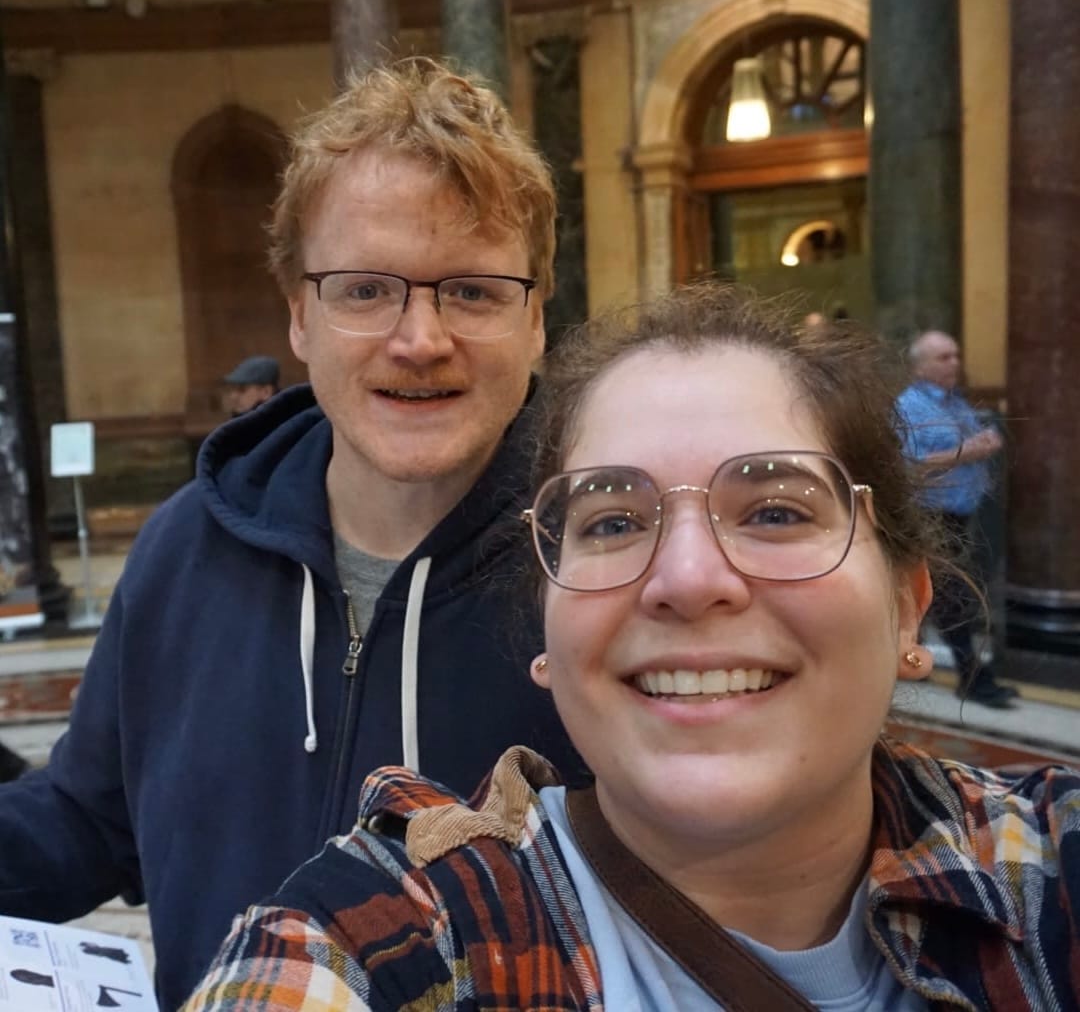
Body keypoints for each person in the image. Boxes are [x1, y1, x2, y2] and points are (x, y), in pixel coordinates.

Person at [184, 285, 1080, 1010]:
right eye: (612, 522)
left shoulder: (1053, 865)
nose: (687, 579)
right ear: (547, 628)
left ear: (906, 608)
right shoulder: (383, 941)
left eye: (775, 511)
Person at [0, 57, 583, 1010]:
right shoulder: (187, 548)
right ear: (300, 316)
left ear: (537, 320)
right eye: (365, 290)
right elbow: (87, 818)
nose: (420, 339)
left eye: (474, 292)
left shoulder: (604, 564)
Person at [896, 330, 1017, 709]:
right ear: (920, 366)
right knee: (953, 596)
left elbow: (972, 441)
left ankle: (913, 663)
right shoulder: (909, 407)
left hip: (960, 516)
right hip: (928, 516)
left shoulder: (956, 403)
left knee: (931, 595)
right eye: (944, 357)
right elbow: (908, 465)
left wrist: (985, 444)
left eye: (956, 355)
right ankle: (975, 678)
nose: (955, 363)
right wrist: (966, 452)